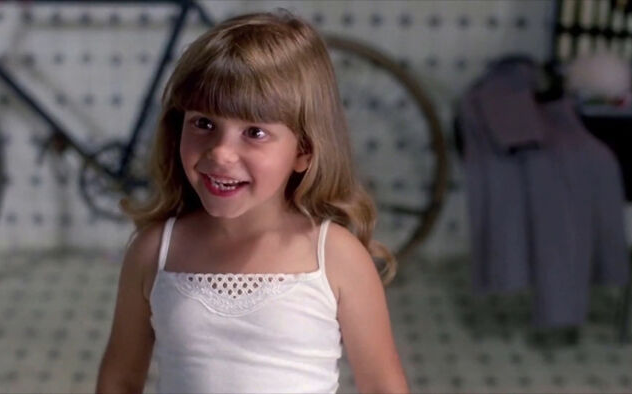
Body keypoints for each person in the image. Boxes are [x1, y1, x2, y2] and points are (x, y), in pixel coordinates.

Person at [96, 10, 408, 394]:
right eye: (203, 124)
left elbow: (382, 386)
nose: (221, 153)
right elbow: (120, 380)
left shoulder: (336, 259)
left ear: (304, 151)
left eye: (255, 132)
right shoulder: (154, 252)